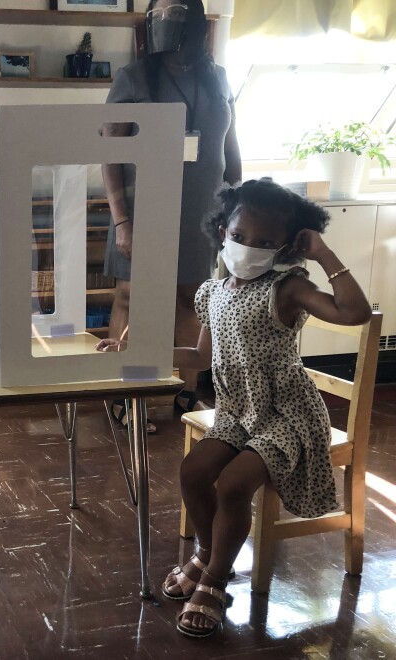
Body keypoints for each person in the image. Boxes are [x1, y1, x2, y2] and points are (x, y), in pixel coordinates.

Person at [100, 178, 372, 637]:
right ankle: (210, 553)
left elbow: (355, 314)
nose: (249, 248)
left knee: (233, 484)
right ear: (222, 229)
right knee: (191, 472)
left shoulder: (289, 287)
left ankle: (215, 579)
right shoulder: (214, 291)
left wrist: (323, 254)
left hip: (288, 414)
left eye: (265, 242)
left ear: (286, 246)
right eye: (240, 236)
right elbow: (200, 357)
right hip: (237, 411)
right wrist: (138, 354)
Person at [102, 0, 242, 429]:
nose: (168, 21)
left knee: (191, 299)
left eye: (178, 12)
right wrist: (122, 220)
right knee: (132, 297)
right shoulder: (134, 78)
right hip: (141, 209)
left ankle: (186, 393)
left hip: (203, 212)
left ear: (197, 20)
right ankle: (124, 394)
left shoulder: (217, 78)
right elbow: (110, 153)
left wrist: (236, 209)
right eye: (160, 13)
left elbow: (230, 149)